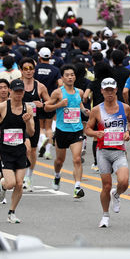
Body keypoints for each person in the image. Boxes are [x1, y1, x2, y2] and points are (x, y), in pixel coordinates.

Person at [85, 78, 130, 228]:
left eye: (111, 89)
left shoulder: (124, 108)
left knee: (124, 182)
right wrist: (96, 134)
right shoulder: (96, 110)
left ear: (116, 90)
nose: (109, 93)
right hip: (103, 152)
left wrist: (128, 132)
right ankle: (105, 216)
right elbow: (87, 129)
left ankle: (117, 194)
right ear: (101, 91)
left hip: (119, 151)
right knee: (106, 186)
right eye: (106, 90)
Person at [0, 79, 35, 224]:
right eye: (16, 91)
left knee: (19, 184)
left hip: (20, 150)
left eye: (21, 91)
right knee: (10, 183)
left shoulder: (27, 108)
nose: (18, 94)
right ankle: (2, 185)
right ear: (11, 91)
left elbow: (31, 132)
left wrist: (27, 121)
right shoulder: (2, 107)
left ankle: (11, 212)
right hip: (6, 150)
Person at [44, 64, 88, 199]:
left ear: (75, 77)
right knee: (59, 161)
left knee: (77, 159)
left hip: (77, 129)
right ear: (62, 77)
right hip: (62, 130)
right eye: (67, 75)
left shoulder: (79, 92)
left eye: (72, 75)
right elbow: (47, 107)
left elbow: (79, 105)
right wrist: (59, 105)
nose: (70, 77)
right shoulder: (58, 92)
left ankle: (77, 187)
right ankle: (57, 176)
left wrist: (84, 111)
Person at [18, 57, 50, 191]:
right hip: (17, 122)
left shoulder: (40, 86)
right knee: (22, 150)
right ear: (21, 70)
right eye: (25, 69)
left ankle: (28, 177)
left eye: (31, 68)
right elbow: (7, 101)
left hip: (33, 123)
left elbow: (49, 102)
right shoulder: (15, 84)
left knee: (31, 150)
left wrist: (42, 104)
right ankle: (16, 174)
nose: (28, 71)